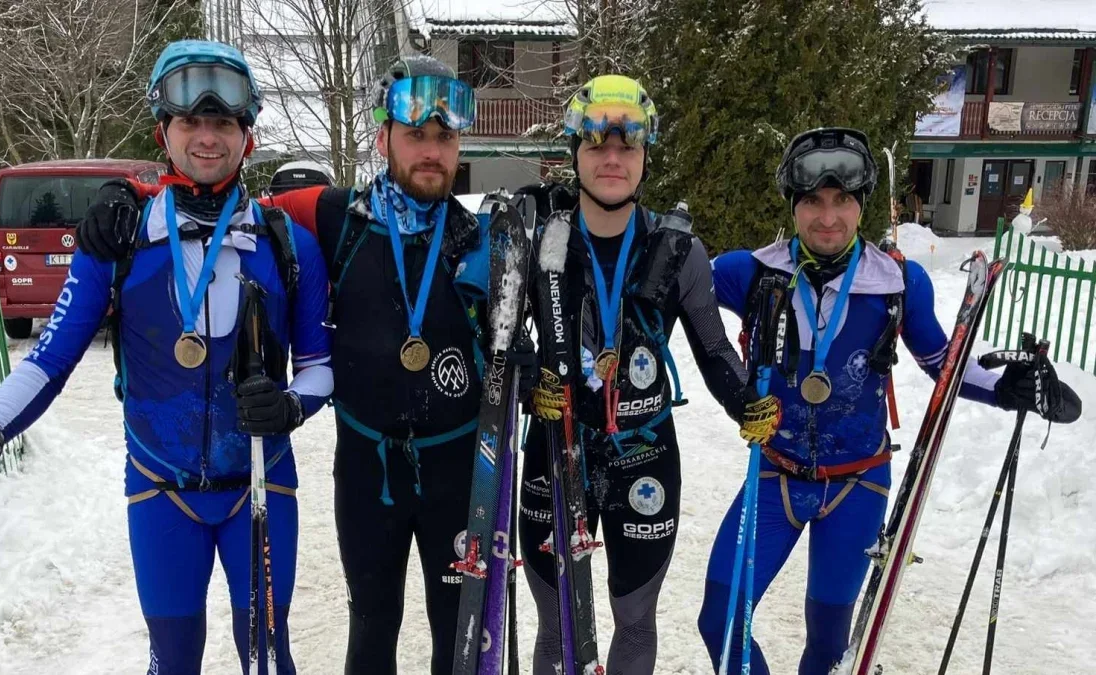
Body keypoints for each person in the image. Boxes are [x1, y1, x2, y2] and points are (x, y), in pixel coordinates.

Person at [0, 39, 332, 674]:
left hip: (260, 483)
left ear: (247, 134)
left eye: (223, 122)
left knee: (270, 659)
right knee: (173, 660)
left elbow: (320, 365)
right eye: (191, 121)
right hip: (161, 491)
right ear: (163, 129)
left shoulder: (287, 243)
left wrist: (292, 404)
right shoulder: (120, 236)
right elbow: (51, 355)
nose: (207, 138)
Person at [78, 54, 503, 675]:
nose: (432, 151)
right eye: (416, 135)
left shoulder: (484, 240)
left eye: (445, 137)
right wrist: (130, 190)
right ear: (384, 137)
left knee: (457, 634)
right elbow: (219, 194)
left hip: (458, 470)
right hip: (368, 472)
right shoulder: (334, 217)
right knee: (373, 624)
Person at [697, 126, 1082, 674]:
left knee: (830, 645)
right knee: (721, 619)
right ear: (793, 205)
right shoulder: (753, 272)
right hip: (774, 477)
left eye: (842, 201)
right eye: (812, 201)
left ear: (861, 207)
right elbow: (675, 298)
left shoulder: (897, 282)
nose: (828, 217)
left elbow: (940, 364)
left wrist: (1006, 388)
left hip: (857, 483)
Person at [518, 74, 763, 675]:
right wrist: (528, 383)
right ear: (574, 151)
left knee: (635, 620)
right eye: (597, 144)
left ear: (645, 156)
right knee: (558, 623)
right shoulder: (538, 239)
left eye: (627, 146)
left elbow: (713, 350)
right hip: (555, 449)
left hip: (645, 455)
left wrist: (746, 400)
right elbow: (492, 342)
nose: (611, 159)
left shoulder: (678, 249)